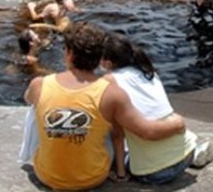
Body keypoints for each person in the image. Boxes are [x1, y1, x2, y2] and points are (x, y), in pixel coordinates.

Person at [23, 22, 187, 191]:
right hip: (92, 177)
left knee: (37, 107)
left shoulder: (39, 84)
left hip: (48, 176)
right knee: (107, 120)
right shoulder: (111, 93)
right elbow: (147, 131)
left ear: (69, 53)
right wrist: (177, 124)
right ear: (99, 57)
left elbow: (28, 99)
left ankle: (52, 157)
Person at [101, 33, 213, 184]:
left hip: (155, 172)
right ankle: (196, 153)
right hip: (187, 154)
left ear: (107, 63)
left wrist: (120, 174)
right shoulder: (148, 72)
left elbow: (117, 134)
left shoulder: (109, 82)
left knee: (106, 130)